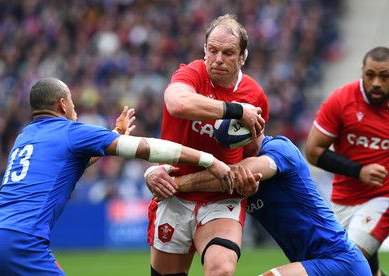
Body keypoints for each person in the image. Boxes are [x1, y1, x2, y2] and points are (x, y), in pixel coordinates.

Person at [0, 77, 235, 276]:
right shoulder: (70, 131)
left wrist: (115, 133)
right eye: (72, 101)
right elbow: (147, 149)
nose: (74, 107)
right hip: (20, 241)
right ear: (63, 105)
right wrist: (208, 159)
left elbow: (72, 163)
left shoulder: (24, 137)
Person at [145, 131, 372, 276]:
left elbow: (239, 172)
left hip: (340, 261)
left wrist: (175, 183)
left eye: (238, 138)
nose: (232, 146)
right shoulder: (231, 171)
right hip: (311, 263)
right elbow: (203, 172)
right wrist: (154, 171)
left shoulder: (280, 150)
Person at [147, 14, 269, 276]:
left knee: (221, 270)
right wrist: (236, 110)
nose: (218, 59)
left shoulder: (255, 95)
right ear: (204, 49)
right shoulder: (191, 73)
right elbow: (177, 104)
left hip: (220, 196)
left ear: (242, 57)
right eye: (212, 50)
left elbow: (252, 153)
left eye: (228, 53)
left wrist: (248, 180)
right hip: (173, 193)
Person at [304, 46, 389, 276]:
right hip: (344, 199)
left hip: (383, 198)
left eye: (385, 76)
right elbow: (312, 151)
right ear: (362, 71)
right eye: (371, 75)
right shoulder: (342, 100)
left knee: (350, 260)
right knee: (360, 267)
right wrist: (359, 170)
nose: (377, 83)